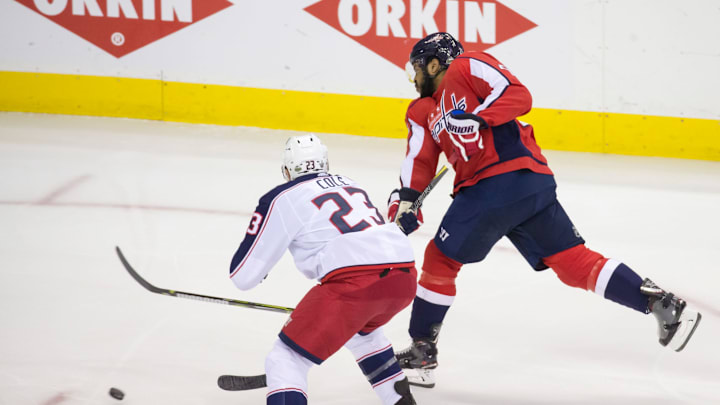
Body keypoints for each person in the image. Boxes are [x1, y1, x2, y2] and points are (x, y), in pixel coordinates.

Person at [387, 32, 702, 388]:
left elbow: (518, 95)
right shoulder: (421, 112)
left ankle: (421, 353)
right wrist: (406, 203)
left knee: (440, 259)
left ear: (432, 63)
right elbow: (419, 161)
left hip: (496, 181)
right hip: (528, 187)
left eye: (416, 68)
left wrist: (482, 119)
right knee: (571, 262)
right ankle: (660, 303)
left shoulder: (466, 65)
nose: (414, 79)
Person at [229, 134, 418, 405]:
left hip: (353, 286)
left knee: (286, 359)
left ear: (286, 169)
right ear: (325, 162)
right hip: (403, 277)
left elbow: (244, 277)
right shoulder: (350, 183)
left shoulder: (281, 197)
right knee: (365, 335)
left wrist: (263, 266)